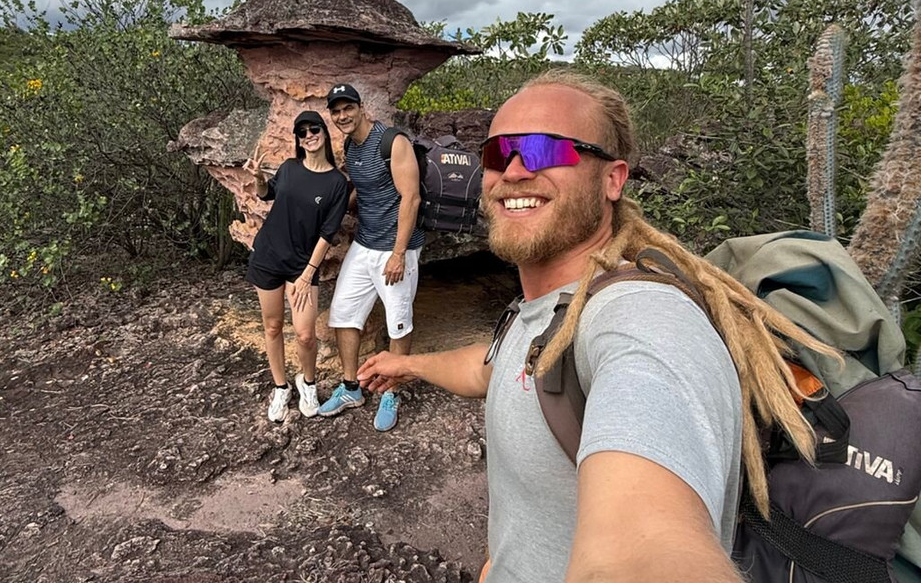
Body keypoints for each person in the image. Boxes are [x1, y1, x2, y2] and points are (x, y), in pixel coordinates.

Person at [357, 70, 833, 582]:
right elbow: (494, 370)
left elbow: (646, 551)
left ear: (613, 178)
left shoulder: (641, 319)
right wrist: (409, 364)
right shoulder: (545, 308)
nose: (513, 171)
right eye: (497, 154)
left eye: (544, 151)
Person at [318, 83, 425, 431]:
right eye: (336, 111)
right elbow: (363, 191)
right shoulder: (351, 145)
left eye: (347, 108)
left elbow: (410, 199)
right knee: (344, 313)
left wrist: (398, 255)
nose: (342, 116)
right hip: (364, 245)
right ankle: (351, 388)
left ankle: (391, 391)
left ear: (362, 107)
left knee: (398, 319)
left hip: (397, 248)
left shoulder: (392, 142)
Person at [245, 110, 350, 423]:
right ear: (298, 138)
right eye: (302, 132)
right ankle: (280, 387)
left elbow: (328, 233)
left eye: (313, 129)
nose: (308, 135)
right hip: (268, 256)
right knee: (273, 326)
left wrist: (306, 274)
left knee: (305, 335)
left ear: (323, 133)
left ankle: (308, 383)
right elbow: (269, 195)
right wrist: (259, 180)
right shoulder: (289, 168)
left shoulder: (337, 183)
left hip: (303, 264)